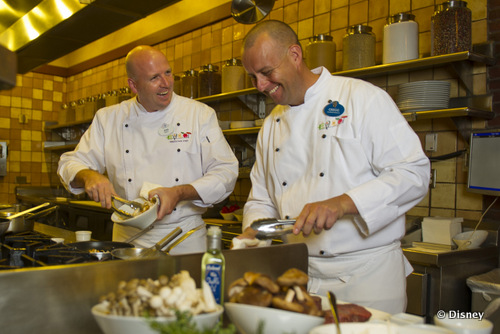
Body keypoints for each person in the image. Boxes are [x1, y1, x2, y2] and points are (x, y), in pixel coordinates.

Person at [237, 20, 430, 314]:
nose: (261, 86)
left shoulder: (361, 98)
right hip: (301, 277)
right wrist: (254, 231)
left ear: (295, 55)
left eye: (266, 72)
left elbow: (413, 173)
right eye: (253, 77)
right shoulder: (271, 124)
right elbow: (262, 197)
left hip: (367, 277)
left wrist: (344, 203)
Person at [58, 45, 238, 254]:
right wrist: (88, 176)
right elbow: (69, 163)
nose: (166, 84)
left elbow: (226, 172)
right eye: (154, 78)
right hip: (129, 241)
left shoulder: (199, 114)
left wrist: (179, 193)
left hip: (184, 239)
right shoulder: (109, 119)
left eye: (168, 73)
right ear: (133, 86)